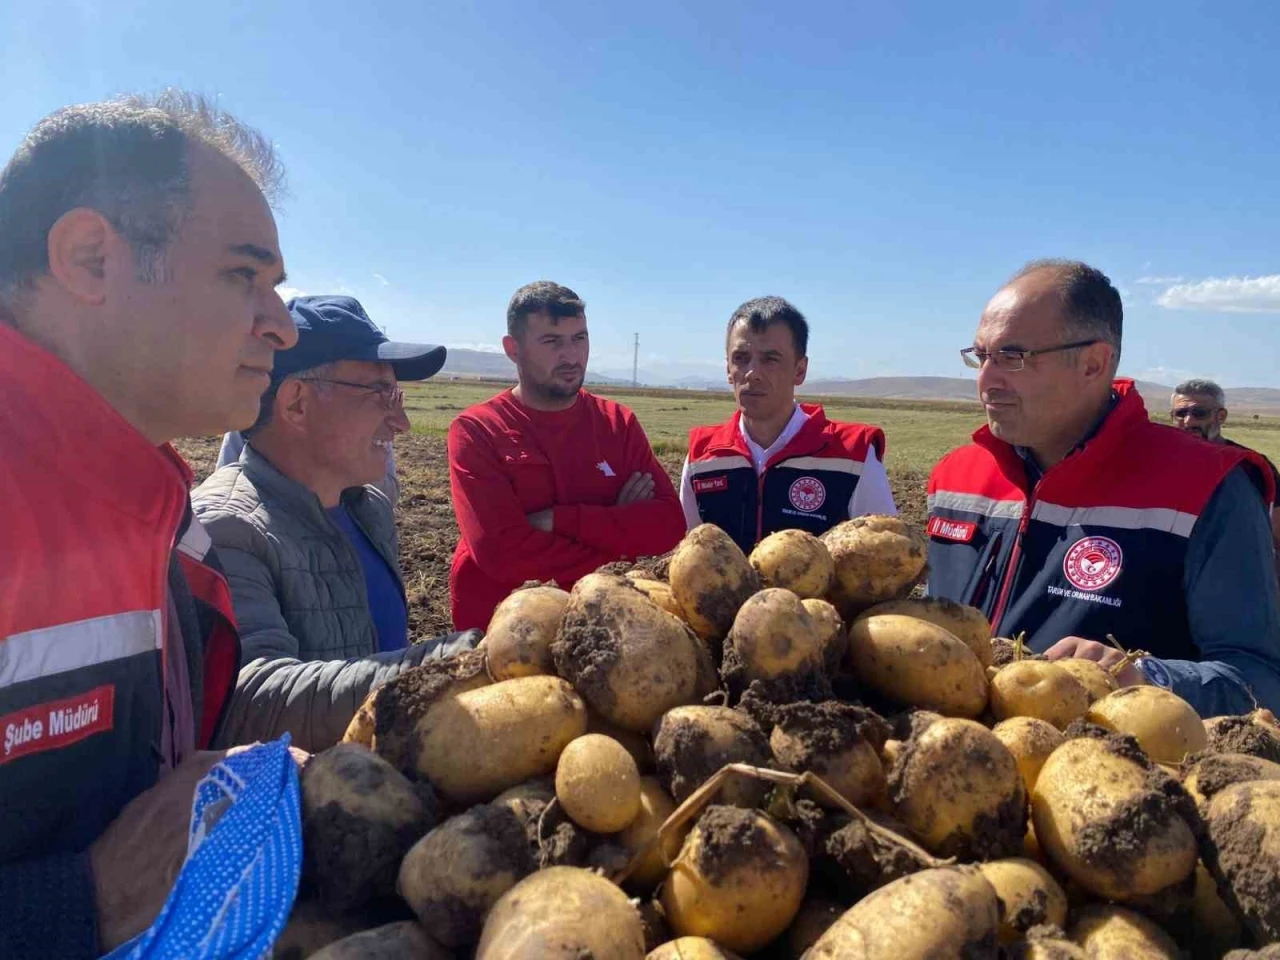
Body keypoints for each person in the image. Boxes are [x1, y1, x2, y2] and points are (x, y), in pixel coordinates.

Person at [0, 92, 299, 958]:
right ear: (90, 258)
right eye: (244, 276)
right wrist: (79, 901)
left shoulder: (166, 520)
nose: (282, 325)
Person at [927, 259, 1280, 716]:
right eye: (981, 357)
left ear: (1093, 364)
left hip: (1108, 757)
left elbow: (1260, 678)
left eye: (1012, 357)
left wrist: (1145, 678)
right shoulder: (956, 475)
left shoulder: (1207, 487)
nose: (986, 381)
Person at [192, 295, 478, 753]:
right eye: (379, 394)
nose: (401, 423)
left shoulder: (369, 510)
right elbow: (250, 703)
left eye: (397, 396)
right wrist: (453, 665)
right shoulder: (224, 528)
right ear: (297, 403)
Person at [448, 281, 686, 630]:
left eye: (579, 338)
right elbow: (503, 554)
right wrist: (619, 534)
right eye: (552, 341)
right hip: (505, 632)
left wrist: (559, 520)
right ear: (513, 349)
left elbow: (668, 525)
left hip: (600, 625)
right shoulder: (477, 431)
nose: (571, 356)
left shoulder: (617, 424)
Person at [680, 296, 897, 554]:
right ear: (728, 368)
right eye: (740, 358)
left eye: (770, 359)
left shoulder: (853, 455)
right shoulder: (702, 457)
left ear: (800, 370)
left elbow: (887, 555)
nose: (752, 373)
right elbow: (689, 555)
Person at [1170, 378, 1280, 572]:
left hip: (1233, 571)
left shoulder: (1250, 466)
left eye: (1199, 413)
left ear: (1221, 416)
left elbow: (1275, 533)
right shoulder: (1162, 463)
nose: (1188, 421)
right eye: (1180, 413)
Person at [215, 423, 400, 504]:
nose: (401, 424)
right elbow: (225, 496)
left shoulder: (375, 430)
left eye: (394, 395)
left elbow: (389, 494)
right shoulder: (250, 417)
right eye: (375, 391)